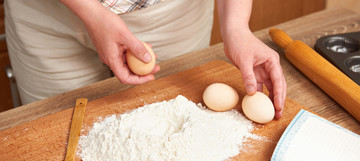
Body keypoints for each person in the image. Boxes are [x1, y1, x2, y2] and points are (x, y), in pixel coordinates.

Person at [5, 0, 286, 118]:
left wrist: (236, 26)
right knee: (56, 130)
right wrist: (90, 12)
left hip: (169, 14)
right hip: (44, 15)